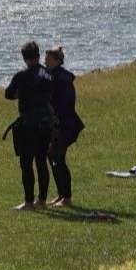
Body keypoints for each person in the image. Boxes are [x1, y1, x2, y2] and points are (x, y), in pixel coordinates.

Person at [3, 40, 56, 208]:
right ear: (38, 56)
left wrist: (22, 94)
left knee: (26, 163)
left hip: (28, 124)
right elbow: (52, 92)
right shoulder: (47, 74)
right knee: (41, 161)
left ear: (24, 58)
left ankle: (28, 201)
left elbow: (9, 94)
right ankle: (42, 200)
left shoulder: (21, 76)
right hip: (46, 122)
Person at [43, 44, 83, 207]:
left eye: (48, 59)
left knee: (58, 157)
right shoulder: (53, 75)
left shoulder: (62, 78)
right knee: (52, 156)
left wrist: (57, 123)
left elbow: (65, 104)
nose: (45, 61)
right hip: (57, 124)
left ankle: (67, 197)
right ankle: (61, 194)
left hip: (64, 125)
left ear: (56, 61)